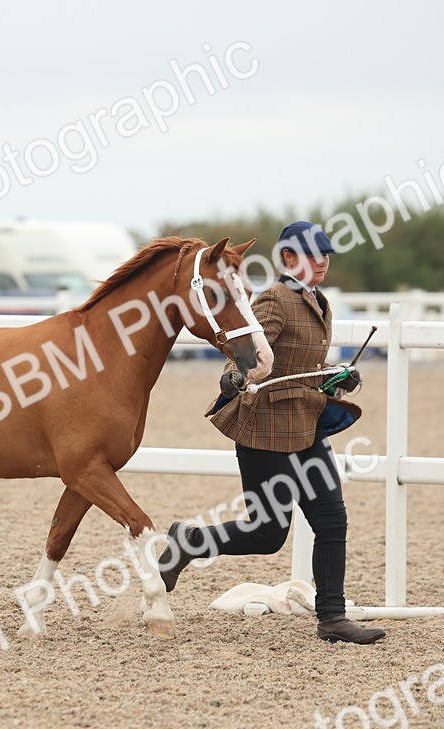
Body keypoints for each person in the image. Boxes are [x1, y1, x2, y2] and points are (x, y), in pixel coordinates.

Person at [158, 221, 386, 644]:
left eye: (325, 255)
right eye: (311, 255)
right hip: (264, 430)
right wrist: (232, 377)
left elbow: (303, 366)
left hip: (308, 424)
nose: (321, 263)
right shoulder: (273, 300)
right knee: (267, 534)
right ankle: (190, 541)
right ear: (287, 259)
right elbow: (247, 348)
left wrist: (336, 378)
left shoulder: (317, 300)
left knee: (333, 520)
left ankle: (332, 618)